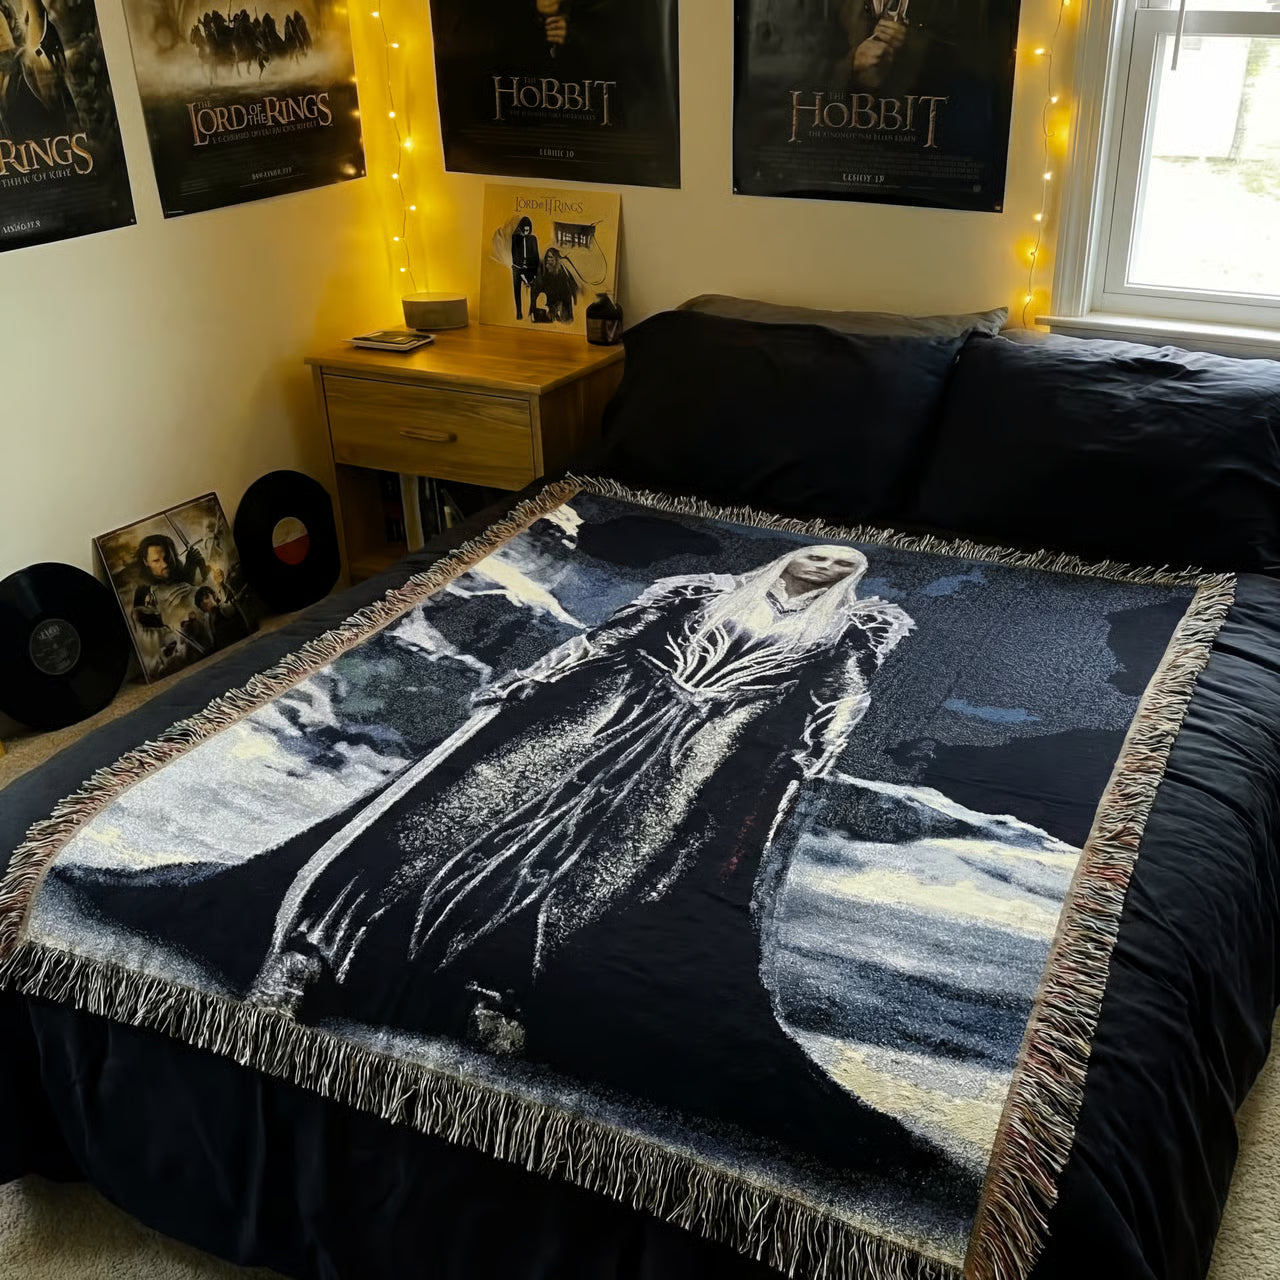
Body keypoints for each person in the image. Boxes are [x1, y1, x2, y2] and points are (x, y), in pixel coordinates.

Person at [246, 547, 949, 1184]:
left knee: (602, 868)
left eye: (844, 563)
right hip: (601, 711)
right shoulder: (696, 590)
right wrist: (537, 676)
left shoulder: (850, 629)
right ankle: (313, 955)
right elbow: (607, 638)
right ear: (794, 553)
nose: (827, 565)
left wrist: (811, 757)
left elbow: (839, 699)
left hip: (704, 751)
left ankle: (496, 989)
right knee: (457, 815)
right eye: (819, 552)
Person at [510, 216, 539, 321]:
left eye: (528, 230)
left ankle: (533, 311)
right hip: (518, 267)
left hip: (530, 267)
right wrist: (521, 268)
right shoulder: (515, 238)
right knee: (516, 287)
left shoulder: (533, 239)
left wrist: (534, 272)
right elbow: (514, 255)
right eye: (525, 230)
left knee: (534, 286)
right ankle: (519, 312)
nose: (526, 232)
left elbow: (536, 256)